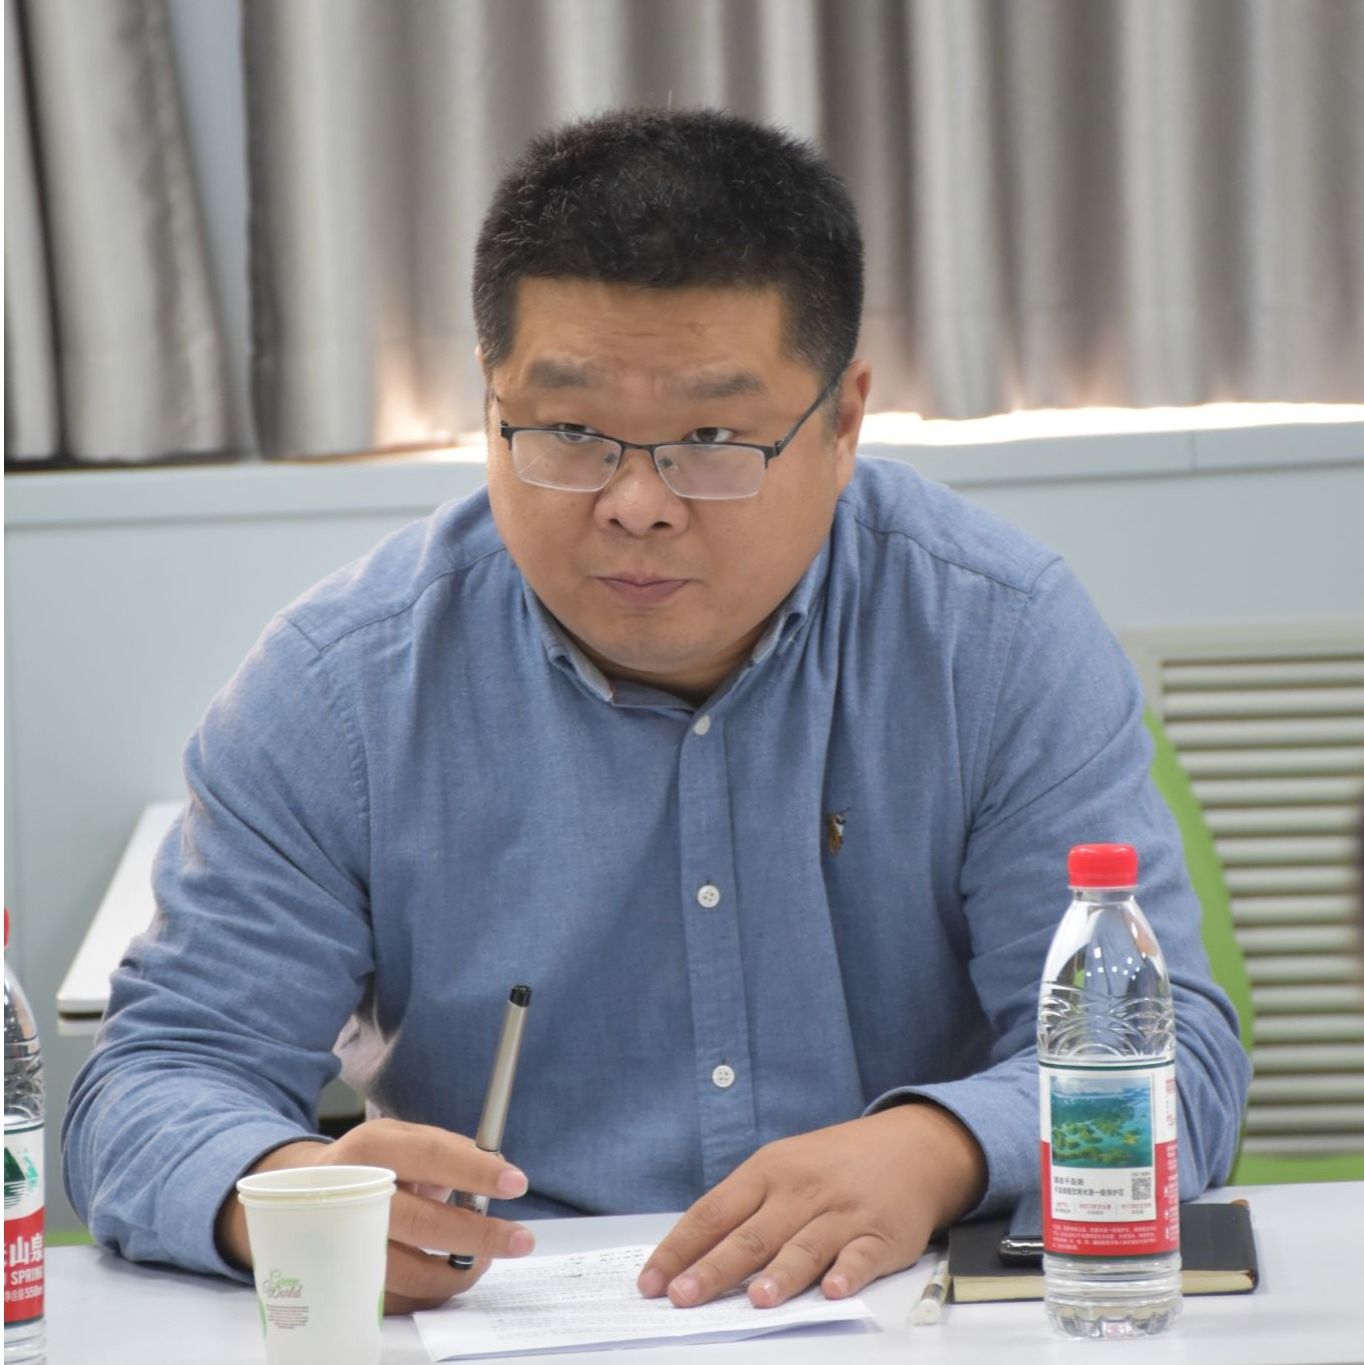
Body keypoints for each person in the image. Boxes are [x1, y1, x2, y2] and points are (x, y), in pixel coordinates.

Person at [63, 107, 1250, 1316]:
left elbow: (1176, 1069)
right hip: (505, 1317)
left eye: (712, 437)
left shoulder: (994, 640)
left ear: (842, 421)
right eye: (570, 430)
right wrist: (288, 1195)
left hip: (906, 1310)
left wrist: (934, 1149)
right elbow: (154, 1081)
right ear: (488, 403)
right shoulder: (340, 688)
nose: (635, 502)